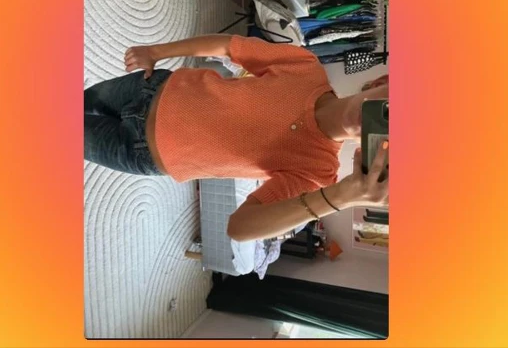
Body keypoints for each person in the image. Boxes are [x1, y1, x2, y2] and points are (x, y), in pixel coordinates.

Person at [84, 34, 389, 242]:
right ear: (381, 81)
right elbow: (231, 46)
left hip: (141, 151)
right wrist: (156, 52)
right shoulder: (305, 68)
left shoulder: (316, 173)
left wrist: (340, 197)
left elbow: (240, 228)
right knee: (83, 99)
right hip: (149, 88)